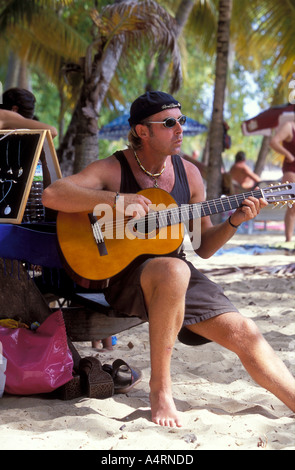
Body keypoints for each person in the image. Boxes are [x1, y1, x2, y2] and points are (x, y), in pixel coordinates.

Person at [42, 91, 295, 427]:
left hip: (177, 278)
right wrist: (116, 200)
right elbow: (53, 194)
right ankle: (161, 391)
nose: (180, 129)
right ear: (142, 131)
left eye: (182, 121)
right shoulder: (113, 168)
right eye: (169, 123)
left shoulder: (189, 175)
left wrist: (234, 221)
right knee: (174, 269)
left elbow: (203, 247)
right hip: (120, 275)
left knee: (245, 332)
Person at [270, 121, 295, 242]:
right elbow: (273, 142)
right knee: (293, 206)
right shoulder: (289, 126)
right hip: (291, 169)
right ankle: (289, 240)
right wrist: (288, 155)